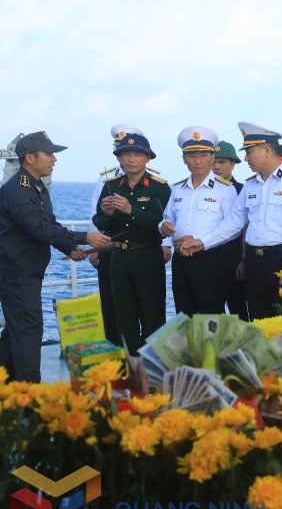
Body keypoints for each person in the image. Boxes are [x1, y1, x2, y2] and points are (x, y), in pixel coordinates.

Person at [0, 132, 110, 381]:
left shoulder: (36, 187)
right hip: (17, 275)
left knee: (16, 332)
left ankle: (7, 386)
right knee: (28, 332)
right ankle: (30, 393)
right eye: (48, 154)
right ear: (30, 158)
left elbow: (50, 224)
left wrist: (69, 248)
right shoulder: (18, 190)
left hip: (27, 272)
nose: (54, 159)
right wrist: (85, 237)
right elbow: (39, 228)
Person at [182, 123, 282, 320]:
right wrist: (202, 242)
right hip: (254, 261)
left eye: (249, 152)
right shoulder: (251, 185)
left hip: (281, 260)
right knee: (258, 320)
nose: (246, 158)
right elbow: (233, 222)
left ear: (267, 150)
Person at [93, 133, 171, 354]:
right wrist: (108, 215)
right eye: (125, 154)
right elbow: (99, 221)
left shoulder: (159, 188)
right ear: (119, 158)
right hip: (119, 257)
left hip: (147, 255)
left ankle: (152, 364)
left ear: (148, 158)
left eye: (137, 154)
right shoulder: (111, 186)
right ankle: (128, 362)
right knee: (123, 314)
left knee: (152, 313)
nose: (131, 159)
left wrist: (130, 210)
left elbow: (159, 222)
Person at [160, 127, 239, 315]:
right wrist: (164, 228)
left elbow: (233, 227)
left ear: (212, 157)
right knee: (184, 314)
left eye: (203, 155)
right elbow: (167, 219)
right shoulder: (178, 188)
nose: (197, 161)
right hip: (181, 258)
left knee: (210, 314)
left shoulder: (225, 189)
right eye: (191, 155)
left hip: (210, 259)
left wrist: (201, 242)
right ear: (184, 159)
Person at [89, 124, 147, 344]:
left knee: (142, 300)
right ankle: (114, 347)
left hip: (140, 248)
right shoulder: (106, 178)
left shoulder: (151, 180)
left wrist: (166, 244)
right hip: (109, 246)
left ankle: (140, 348)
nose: (128, 157)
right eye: (121, 150)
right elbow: (95, 211)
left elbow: (162, 215)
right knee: (109, 299)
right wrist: (95, 246)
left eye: (134, 152)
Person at [212, 140, 248, 320]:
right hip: (209, 257)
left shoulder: (243, 190)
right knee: (212, 310)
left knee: (238, 308)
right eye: (214, 162)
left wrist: (243, 259)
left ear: (233, 164)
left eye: (222, 162)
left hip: (234, 257)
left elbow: (245, 227)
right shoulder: (204, 189)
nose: (217, 167)